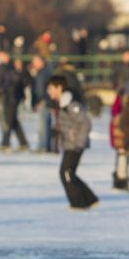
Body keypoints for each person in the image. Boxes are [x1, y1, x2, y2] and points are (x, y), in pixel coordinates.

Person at [48, 75, 97, 209]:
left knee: (66, 173)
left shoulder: (71, 104)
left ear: (59, 88)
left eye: (51, 88)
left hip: (74, 145)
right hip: (69, 144)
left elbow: (85, 123)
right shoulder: (61, 105)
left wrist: (78, 143)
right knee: (69, 173)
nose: (49, 92)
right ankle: (90, 199)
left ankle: (78, 203)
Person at [30, 54, 53, 152]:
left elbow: (39, 90)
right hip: (46, 101)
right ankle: (45, 146)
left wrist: (37, 101)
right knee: (46, 125)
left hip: (43, 101)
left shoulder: (42, 74)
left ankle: (43, 147)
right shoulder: (46, 72)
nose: (33, 64)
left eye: (35, 62)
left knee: (43, 126)